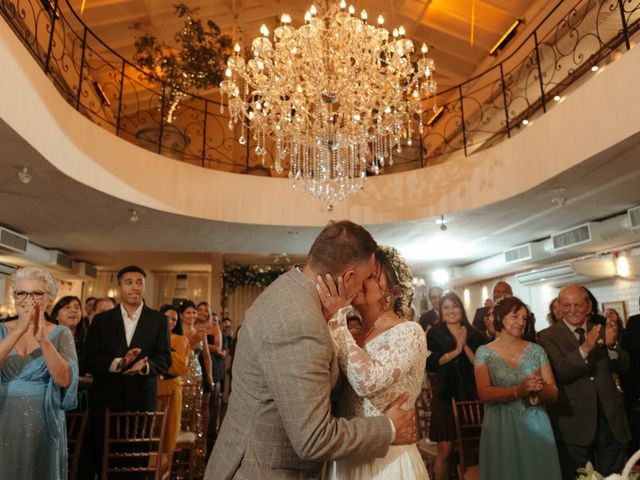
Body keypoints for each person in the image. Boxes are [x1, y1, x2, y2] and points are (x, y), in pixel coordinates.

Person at [205, 220, 417, 479]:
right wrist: (389, 429)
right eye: (364, 278)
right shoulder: (302, 324)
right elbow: (313, 438)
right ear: (349, 278)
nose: (362, 287)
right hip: (261, 468)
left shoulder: (288, 289)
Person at [317, 245, 429, 479]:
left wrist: (337, 319)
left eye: (370, 276)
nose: (359, 280)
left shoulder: (409, 333)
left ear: (394, 290)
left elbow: (366, 381)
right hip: (347, 454)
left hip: (387, 461)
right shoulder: (351, 335)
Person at [84, 265, 172, 472]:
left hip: (141, 398)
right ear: (119, 287)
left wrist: (145, 366)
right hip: (106, 398)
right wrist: (118, 364)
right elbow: (89, 359)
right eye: (129, 282)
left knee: (136, 459)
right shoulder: (101, 320)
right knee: (104, 458)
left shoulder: (159, 320)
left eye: (139, 282)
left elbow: (165, 357)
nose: (135, 287)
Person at [538, 284, 630, 479]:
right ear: (559, 308)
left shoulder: (602, 330)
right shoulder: (547, 336)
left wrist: (613, 347)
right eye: (566, 305)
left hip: (610, 421)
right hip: (573, 425)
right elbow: (559, 371)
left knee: (613, 476)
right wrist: (585, 349)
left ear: (589, 307)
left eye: (578, 304)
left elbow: (624, 368)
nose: (572, 310)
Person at [0, 266, 79, 479]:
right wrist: (19, 330)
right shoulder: (2, 330)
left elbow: (64, 379)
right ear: (15, 297)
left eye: (37, 293)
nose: (29, 299)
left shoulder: (61, 334)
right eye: (22, 293)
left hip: (43, 420)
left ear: (49, 299)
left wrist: (43, 339)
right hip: (3, 415)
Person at [474, 296, 561, 479]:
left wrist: (538, 390)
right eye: (515, 316)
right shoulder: (484, 352)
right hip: (500, 424)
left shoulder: (537, 351)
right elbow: (484, 393)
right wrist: (519, 390)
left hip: (535, 422)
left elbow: (553, 392)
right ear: (500, 318)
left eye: (524, 318)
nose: (520, 322)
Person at [426, 291, 485, 480]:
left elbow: (480, 364)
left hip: (470, 395)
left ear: (461, 308)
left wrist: (465, 345)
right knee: (445, 447)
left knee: (472, 446)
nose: (451, 310)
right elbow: (433, 363)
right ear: (440, 312)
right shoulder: (434, 333)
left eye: (455, 306)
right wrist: (457, 349)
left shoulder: (475, 333)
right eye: (446, 307)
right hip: (445, 394)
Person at [158, 304, 190, 461]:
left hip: (171, 388)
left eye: (174, 319)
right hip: (153, 386)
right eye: (167, 318)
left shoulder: (180, 339)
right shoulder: (152, 336)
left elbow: (180, 366)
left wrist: (163, 352)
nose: (170, 322)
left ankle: (166, 468)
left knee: (168, 430)